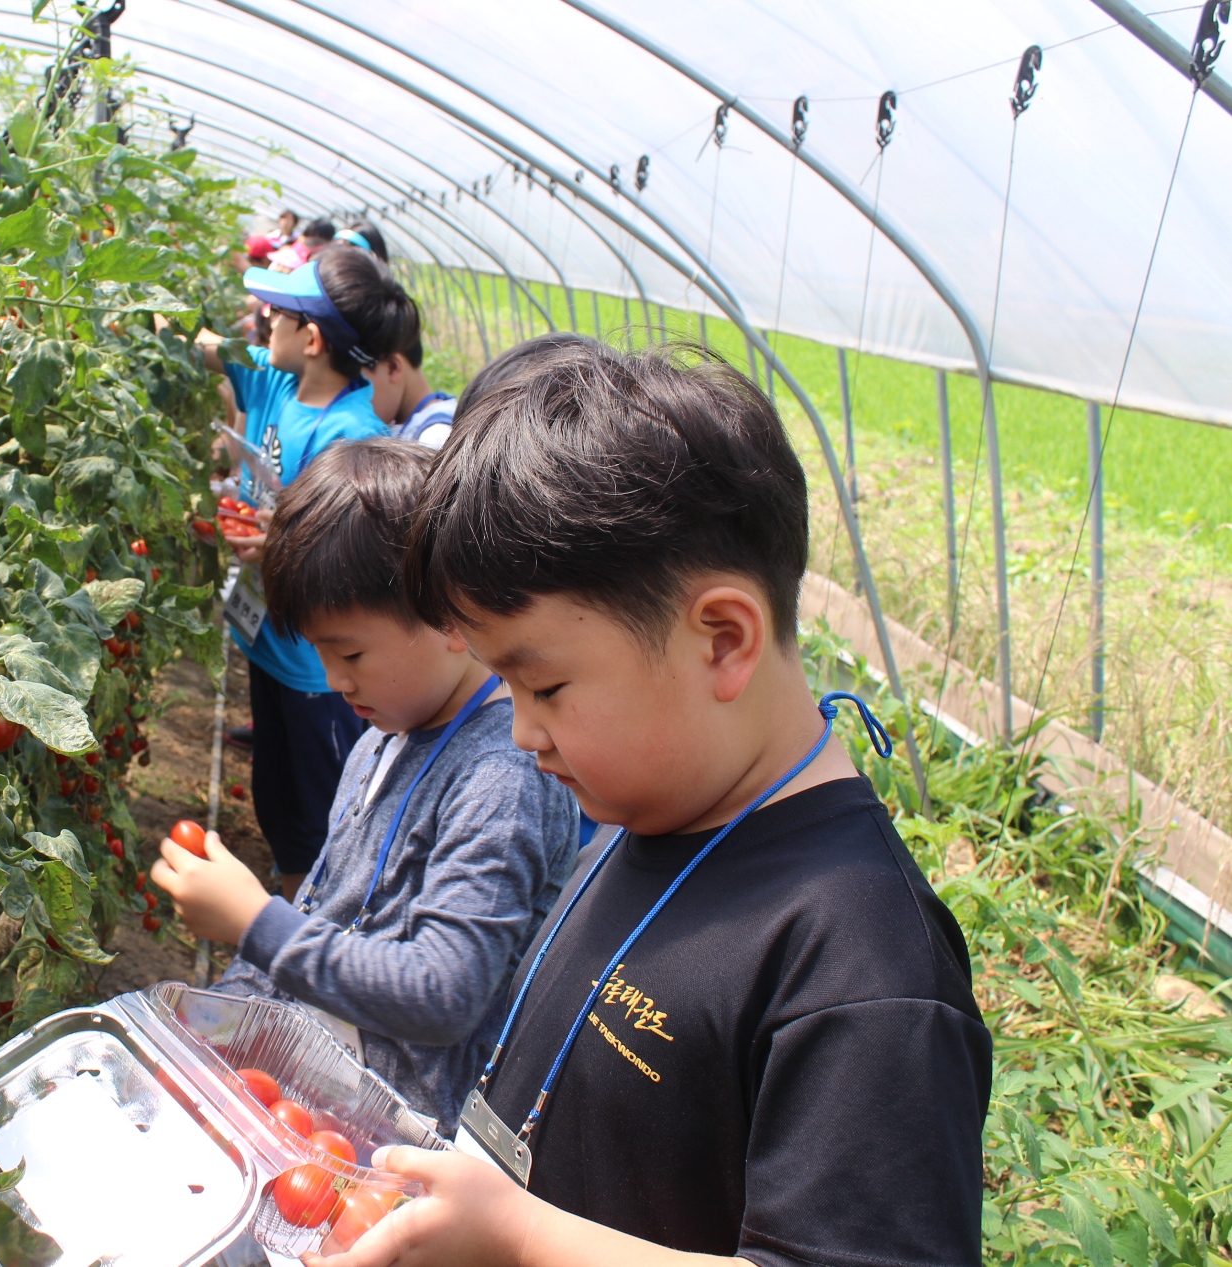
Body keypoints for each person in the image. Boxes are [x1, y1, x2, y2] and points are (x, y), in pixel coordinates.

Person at [308, 338, 992, 1267]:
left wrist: (515, 1234)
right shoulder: (653, 815)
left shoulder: (859, 964)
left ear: (720, 639)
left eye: (544, 687)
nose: (521, 733)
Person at [152, 439, 580, 1134]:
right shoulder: (383, 735)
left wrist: (257, 922)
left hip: (382, 1137)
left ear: (450, 620)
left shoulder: (504, 778)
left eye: (349, 652)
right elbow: (329, 907)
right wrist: (219, 1017)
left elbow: (445, 993)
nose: (332, 679)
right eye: (319, 651)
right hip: (308, 1084)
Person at [188, 249, 414, 899]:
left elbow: (352, 562)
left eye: (274, 313)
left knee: (315, 816)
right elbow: (209, 347)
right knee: (276, 795)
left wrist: (279, 544)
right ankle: (292, 897)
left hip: (318, 669)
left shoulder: (352, 438)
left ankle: (309, 924)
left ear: (310, 338)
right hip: (268, 639)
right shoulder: (275, 382)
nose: (262, 323)